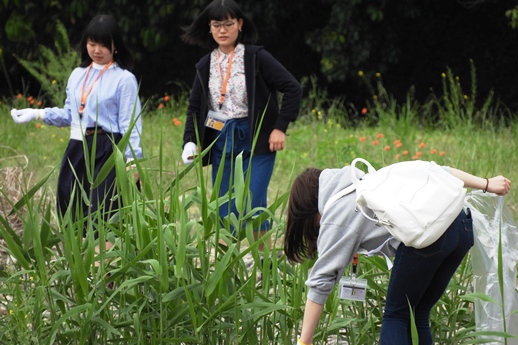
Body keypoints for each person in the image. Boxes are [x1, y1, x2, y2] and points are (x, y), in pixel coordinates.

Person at [284, 164, 511, 345]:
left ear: (309, 208)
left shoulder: (338, 211)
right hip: (460, 228)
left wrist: (305, 341)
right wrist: (487, 183)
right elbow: (436, 170)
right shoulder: (374, 179)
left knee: (396, 316)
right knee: (417, 313)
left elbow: (321, 280)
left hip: (430, 240)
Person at [180, 0, 302, 250]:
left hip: (255, 138)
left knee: (254, 201)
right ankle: (226, 270)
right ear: (209, 28)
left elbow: (293, 87)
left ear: (240, 24)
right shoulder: (205, 65)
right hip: (221, 140)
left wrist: (280, 126)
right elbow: (195, 107)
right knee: (223, 206)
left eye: (228, 24)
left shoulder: (256, 57)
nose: (222, 30)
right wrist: (190, 141)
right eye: (217, 25)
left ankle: (263, 268)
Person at [11, 14, 143, 242]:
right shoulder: (77, 75)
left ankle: (107, 266)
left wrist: (133, 160)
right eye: (92, 43)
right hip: (78, 146)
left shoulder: (124, 79)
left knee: (103, 209)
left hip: (108, 149)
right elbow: (71, 114)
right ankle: (81, 263)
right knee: (69, 204)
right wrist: (37, 113)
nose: (97, 50)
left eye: (103, 44)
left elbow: (130, 125)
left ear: (115, 46)